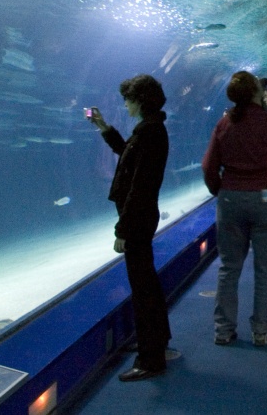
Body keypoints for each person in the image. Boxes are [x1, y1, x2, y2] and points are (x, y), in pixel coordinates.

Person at [202, 72, 267, 347]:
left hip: (231, 198)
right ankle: (260, 331)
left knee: (228, 268)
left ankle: (223, 329)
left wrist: (220, 189)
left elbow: (208, 165)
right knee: (266, 270)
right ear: (257, 93)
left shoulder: (224, 124)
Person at [88, 74, 172, 381]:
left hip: (136, 219)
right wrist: (104, 128)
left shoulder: (150, 132)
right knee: (147, 283)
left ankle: (150, 359)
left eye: (127, 99)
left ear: (140, 100)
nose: (125, 104)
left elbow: (139, 187)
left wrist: (122, 229)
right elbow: (127, 155)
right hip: (140, 217)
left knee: (142, 288)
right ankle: (157, 342)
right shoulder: (149, 129)